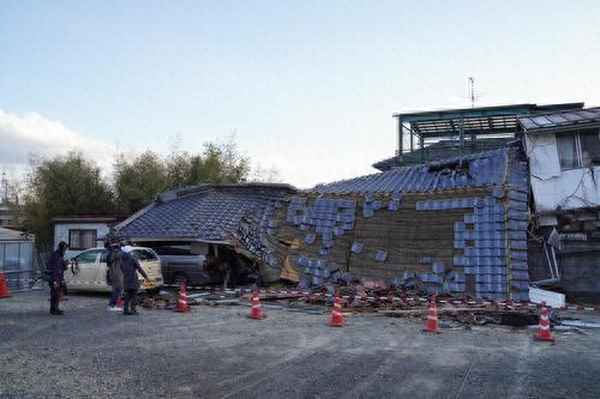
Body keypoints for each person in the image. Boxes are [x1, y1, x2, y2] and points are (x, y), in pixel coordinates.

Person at [117, 249, 149, 315]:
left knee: (127, 296)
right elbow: (139, 269)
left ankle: (125, 310)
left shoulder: (121, 261)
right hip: (133, 280)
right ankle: (133, 310)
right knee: (134, 296)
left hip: (126, 280)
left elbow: (122, 270)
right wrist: (145, 276)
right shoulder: (132, 259)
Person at [47, 241, 68, 315]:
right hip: (55, 278)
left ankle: (55, 308)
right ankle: (53, 310)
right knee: (54, 294)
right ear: (61, 248)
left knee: (58, 294)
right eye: (65, 249)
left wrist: (65, 264)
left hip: (59, 277)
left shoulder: (60, 255)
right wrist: (55, 281)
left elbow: (62, 268)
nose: (65, 251)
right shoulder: (56, 255)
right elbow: (54, 268)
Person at [106, 242, 124, 312]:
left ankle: (115, 304)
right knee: (117, 290)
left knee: (117, 290)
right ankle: (111, 305)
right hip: (116, 275)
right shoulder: (114, 255)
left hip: (115, 275)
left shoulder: (111, 254)